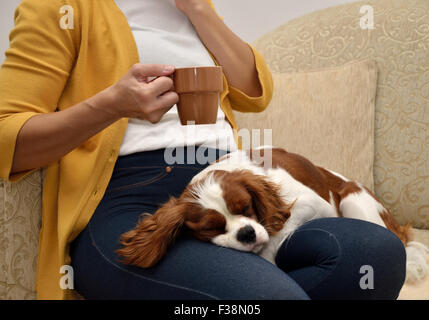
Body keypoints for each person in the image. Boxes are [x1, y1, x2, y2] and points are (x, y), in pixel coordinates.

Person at [0, 0, 406, 300]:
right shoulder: (59, 8)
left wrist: (198, 9)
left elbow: (254, 91)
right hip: (130, 201)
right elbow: (8, 138)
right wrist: (111, 105)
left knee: (376, 254)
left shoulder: (192, 7)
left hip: (231, 187)